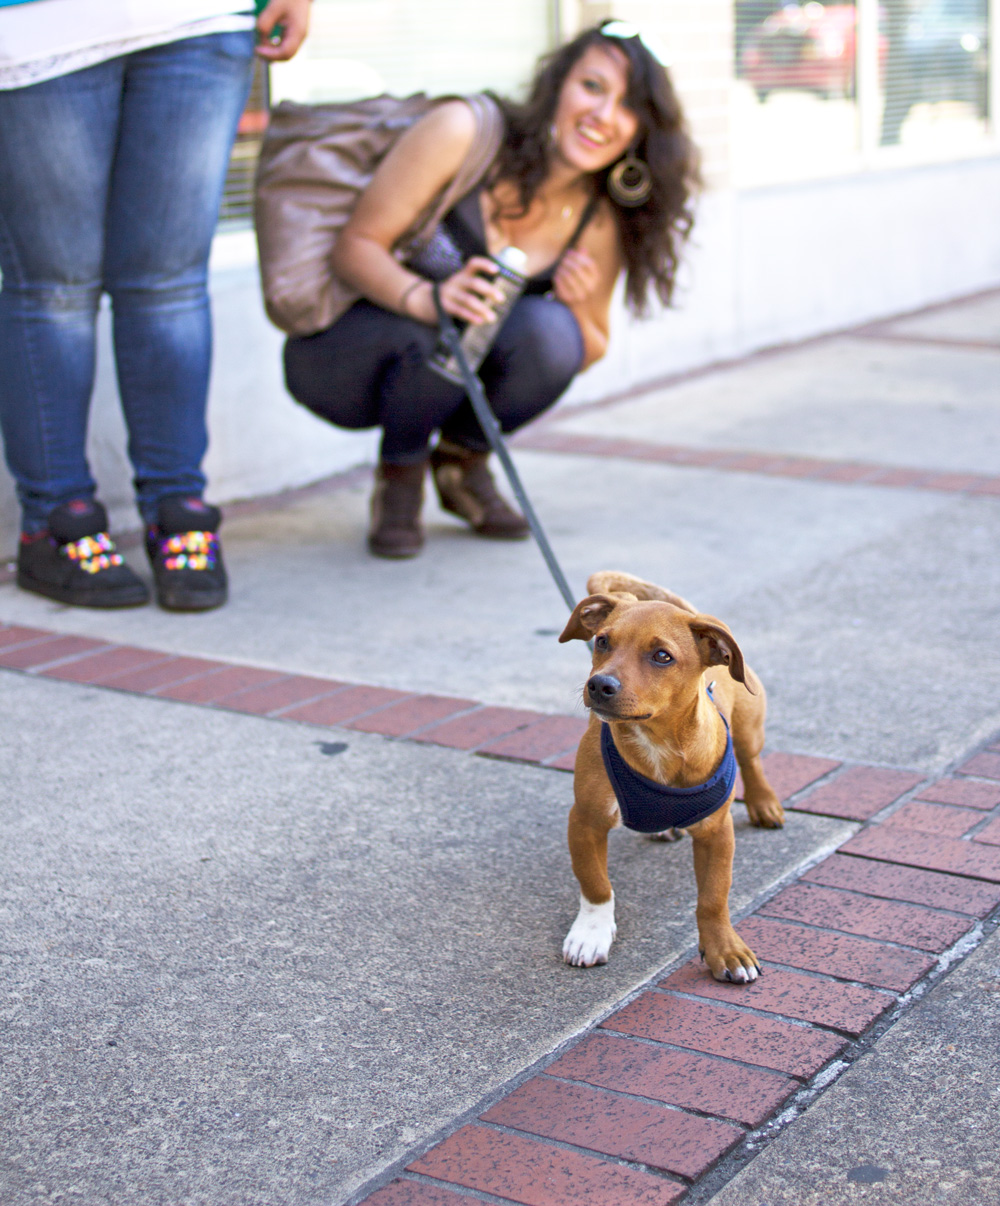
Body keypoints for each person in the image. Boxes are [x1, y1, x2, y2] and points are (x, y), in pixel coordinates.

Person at [283, 20, 700, 559]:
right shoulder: (465, 132)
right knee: (444, 328)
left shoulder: (597, 218)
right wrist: (427, 297)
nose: (602, 115)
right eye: (592, 86)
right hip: (350, 354)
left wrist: (573, 304)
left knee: (551, 333)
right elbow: (356, 246)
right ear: (557, 85)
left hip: (449, 371)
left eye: (627, 105)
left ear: (640, 132)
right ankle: (400, 476)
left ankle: (462, 464)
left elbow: (586, 346)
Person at [0, 0, 310, 610]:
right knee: (54, 287)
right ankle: (55, 519)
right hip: (40, 29)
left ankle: (179, 505)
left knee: (168, 287)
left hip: (199, 21)